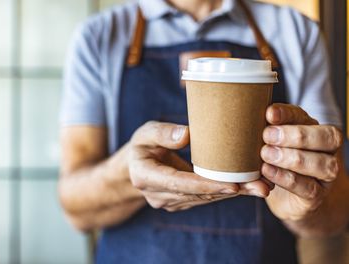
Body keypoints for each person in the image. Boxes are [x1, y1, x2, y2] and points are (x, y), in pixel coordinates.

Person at [58, 0, 349, 263]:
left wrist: (307, 200)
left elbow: (336, 214)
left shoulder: (297, 32)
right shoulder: (99, 37)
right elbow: (75, 208)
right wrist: (128, 175)